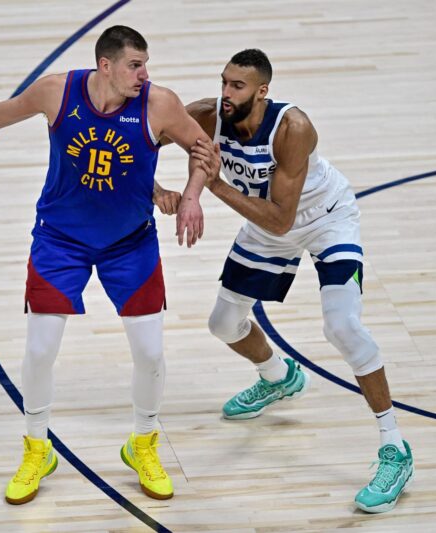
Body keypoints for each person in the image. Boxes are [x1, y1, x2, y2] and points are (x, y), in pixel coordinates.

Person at [0, 26, 211, 504]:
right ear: (106, 66)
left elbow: (205, 148)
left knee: (150, 354)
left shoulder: (159, 103)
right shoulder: (57, 91)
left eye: (145, 64)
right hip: (60, 241)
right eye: (135, 65)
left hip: (130, 243)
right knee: (40, 351)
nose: (145, 74)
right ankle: (37, 448)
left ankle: (142, 443)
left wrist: (190, 196)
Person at [175, 49, 413, 513]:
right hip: (265, 225)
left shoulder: (292, 128)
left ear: (262, 91)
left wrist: (212, 185)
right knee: (223, 324)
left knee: (341, 326)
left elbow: (282, 219)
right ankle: (279, 377)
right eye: (224, 82)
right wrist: (163, 191)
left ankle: (395, 446)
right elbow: (146, 138)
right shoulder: (207, 114)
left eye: (237, 86)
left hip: (324, 218)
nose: (226, 93)